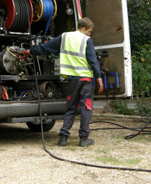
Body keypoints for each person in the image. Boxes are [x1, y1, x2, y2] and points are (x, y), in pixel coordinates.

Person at [20, 17, 103, 147]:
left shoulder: (65, 37)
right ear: (83, 29)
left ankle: (63, 137)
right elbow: (92, 60)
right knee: (86, 107)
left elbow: (46, 47)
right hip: (85, 80)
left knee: (70, 108)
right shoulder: (87, 40)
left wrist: (30, 51)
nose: (89, 34)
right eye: (89, 31)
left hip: (71, 80)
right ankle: (83, 138)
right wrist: (98, 77)